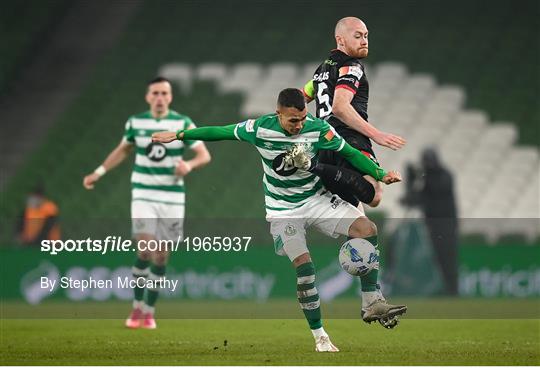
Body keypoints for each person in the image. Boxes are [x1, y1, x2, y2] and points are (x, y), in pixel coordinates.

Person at [152, 88, 406, 353]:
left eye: (302, 118)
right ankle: (320, 336)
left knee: (367, 228)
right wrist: (181, 135)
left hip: (316, 199)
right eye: (292, 121)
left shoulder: (317, 129)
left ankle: (371, 302)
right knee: (304, 268)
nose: (298, 125)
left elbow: (351, 153)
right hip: (283, 209)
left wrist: (379, 172)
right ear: (279, 115)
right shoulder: (260, 128)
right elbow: (221, 131)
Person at [83, 77, 211, 329]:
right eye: (155, 93)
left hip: (172, 197)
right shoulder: (136, 122)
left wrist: (189, 165)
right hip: (143, 194)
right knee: (145, 249)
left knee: (161, 256)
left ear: (171, 97)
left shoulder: (182, 123)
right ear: (148, 96)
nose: (160, 97)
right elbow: (122, 150)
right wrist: (98, 172)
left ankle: (149, 312)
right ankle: (137, 307)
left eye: (165, 93)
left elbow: (204, 154)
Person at [302, 17, 406, 209]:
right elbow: (340, 107)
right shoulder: (351, 66)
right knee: (374, 194)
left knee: (355, 212)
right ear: (340, 40)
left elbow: (302, 97)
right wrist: (377, 135)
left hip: (324, 145)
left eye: (366, 36)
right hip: (349, 138)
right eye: (357, 36)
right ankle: (315, 168)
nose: (364, 41)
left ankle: (319, 168)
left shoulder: (321, 70)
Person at [401, 148, 458, 295]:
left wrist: (419, 177)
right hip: (433, 226)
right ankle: (444, 289)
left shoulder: (445, 176)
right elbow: (414, 199)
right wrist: (411, 181)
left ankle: (452, 290)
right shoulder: (427, 179)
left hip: (446, 225)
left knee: (447, 258)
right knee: (437, 259)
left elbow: (434, 191)